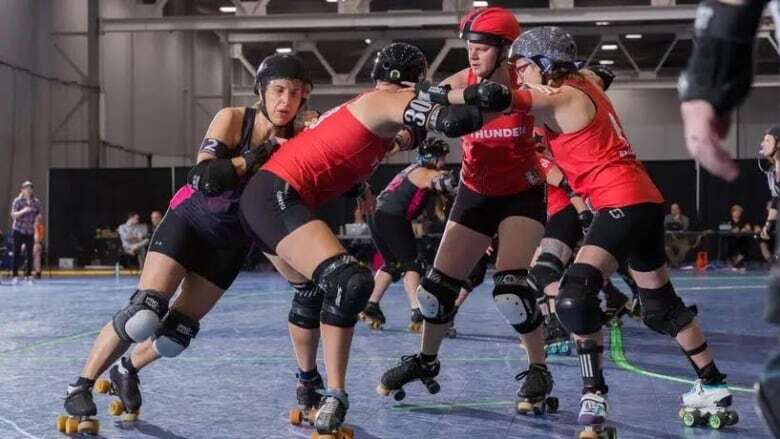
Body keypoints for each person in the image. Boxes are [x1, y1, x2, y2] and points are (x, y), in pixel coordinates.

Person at [452, 25, 737, 433]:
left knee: (575, 294)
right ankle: (712, 384)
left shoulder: (562, 95)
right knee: (660, 308)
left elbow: (502, 98)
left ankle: (594, 392)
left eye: (523, 67)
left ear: (540, 66)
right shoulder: (582, 84)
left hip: (621, 202)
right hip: (643, 201)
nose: (519, 74)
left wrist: (442, 99)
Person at [239, 42, 488, 437]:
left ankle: (308, 387)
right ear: (411, 82)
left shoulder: (376, 107)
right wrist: (490, 98)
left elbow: (397, 136)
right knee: (350, 282)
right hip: (275, 197)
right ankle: (335, 394)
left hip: (267, 198)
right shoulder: (387, 100)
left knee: (311, 294)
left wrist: (363, 184)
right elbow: (453, 121)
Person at [58, 53, 312, 435]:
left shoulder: (300, 137)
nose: (285, 101)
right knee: (144, 313)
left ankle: (127, 369)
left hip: (230, 244)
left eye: (295, 94)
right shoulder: (233, 119)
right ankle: (79, 386)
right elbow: (204, 177)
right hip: (190, 222)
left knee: (177, 335)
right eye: (278, 90)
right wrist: (256, 155)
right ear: (262, 91)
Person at [378, 7, 563, 417]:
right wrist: (402, 137)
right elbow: (421, 117)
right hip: (475, 192)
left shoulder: (525, 84)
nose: (473, 56)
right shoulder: (460, 83)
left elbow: (561, 108)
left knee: (512, 290)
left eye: (481, 48)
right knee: (434, 291)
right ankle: (426, 358)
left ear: (504, 50)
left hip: (522, 194)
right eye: (469, 47)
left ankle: (538, 369)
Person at [359, 138, 456, 332]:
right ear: (432, 157)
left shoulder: (413, 169)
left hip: (377, 215)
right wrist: (458, 181)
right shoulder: (423, 172)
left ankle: (371, 306)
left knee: (393, 265)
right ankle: (418, 311)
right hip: (391, 217)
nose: (443, 162)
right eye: (441, 158)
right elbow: (444, 183)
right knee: (413, 265)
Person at [9, 181, 42, 285]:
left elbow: (38, 214)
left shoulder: (36, 202)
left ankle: (28, 276)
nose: (28, 190)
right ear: (22, 190)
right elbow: (13, 215)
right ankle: (15, 276)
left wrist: (38, 218)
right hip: (18, 229)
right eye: (26, 188)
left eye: (30, 188)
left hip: (29, 230)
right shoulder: (17, 201)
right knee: (17, 253)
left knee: (29, 254)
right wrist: (23, 211)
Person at [664, 203, 696, 268]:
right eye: (672, 209)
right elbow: (664, 227)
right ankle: (676, 264)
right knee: (667, 249)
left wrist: (678, 220)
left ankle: (674, 264)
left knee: (684, 249)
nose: (674, 211)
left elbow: (685, 228)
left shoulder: (685, 219)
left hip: (682, 240)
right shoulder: (667, 218)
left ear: (679, 210)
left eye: (676, 209)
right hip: (670, 240)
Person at [33, 213, 44, 279]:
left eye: (39, 220)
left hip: (36, 244)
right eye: (37, 219)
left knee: (37, 248)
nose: (38, 221)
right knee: (36, 249)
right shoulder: (29, 226)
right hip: (27, 244)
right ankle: (37, 272)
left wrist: (36, 228)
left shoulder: (41, 227)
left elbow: (39, 239)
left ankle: (37, 272)